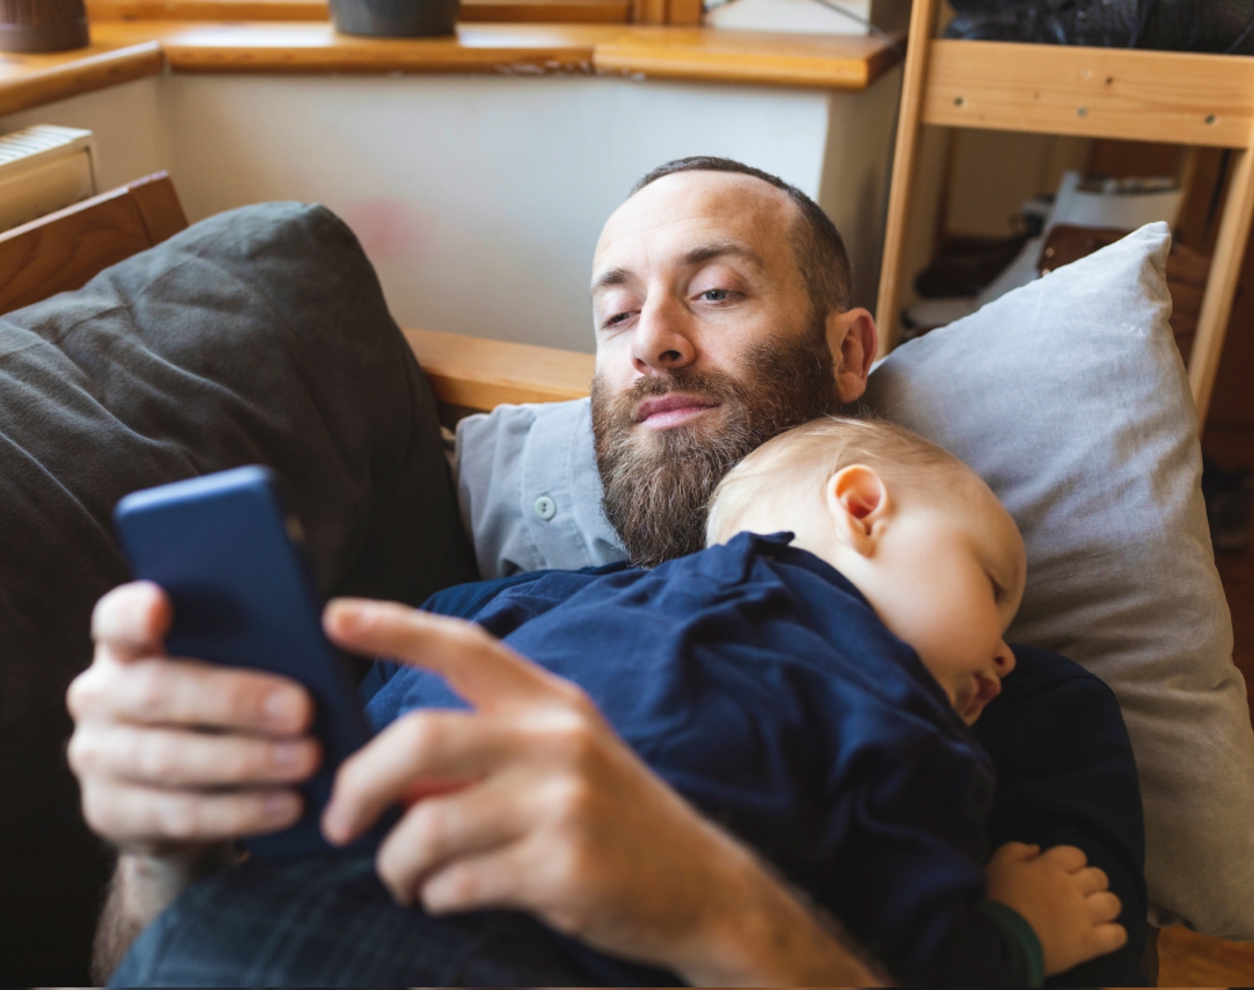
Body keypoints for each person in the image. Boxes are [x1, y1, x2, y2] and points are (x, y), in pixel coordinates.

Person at [68, 157, 1147, 985]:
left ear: (848, 351)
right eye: (617, 314)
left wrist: (720, 919)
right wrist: (165, 855)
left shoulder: (1001, 698)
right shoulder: (473, 622)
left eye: (714, 293)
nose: (652, 342)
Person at [345, 416, 1124, 986]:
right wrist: (1020, 932)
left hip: (368, 884)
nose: (1006, 653)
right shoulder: (903, 722)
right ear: (861, 508)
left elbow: (402, 698)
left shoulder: (567, 605)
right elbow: (918, 957)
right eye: (993, 586)